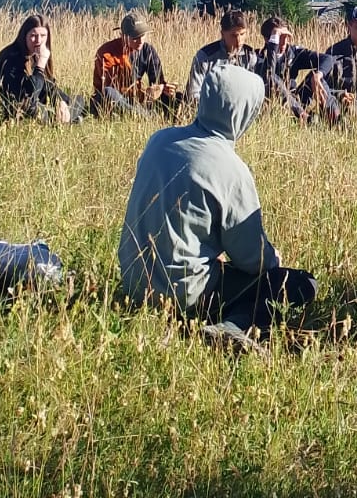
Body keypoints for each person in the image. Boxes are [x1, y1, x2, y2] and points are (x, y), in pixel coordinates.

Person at [119, 63, 317, 350]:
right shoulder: (230, 169)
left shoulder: (159, 140)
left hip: (133, 284)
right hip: (184, 293)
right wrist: (273, 259)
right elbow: (253, 260)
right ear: (243, 111)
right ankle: (232, 327)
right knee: (298, 284)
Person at [0, 14, 86, 122]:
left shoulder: (34, 55)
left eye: (43, 35)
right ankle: (64, 119)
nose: (38, 40)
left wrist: (61, 101)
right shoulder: (12, 57)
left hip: (30, 106)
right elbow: (27, 97)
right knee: (35, 109)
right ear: (24, 36)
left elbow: (49, 87)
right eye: (33, 35)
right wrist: (40, 67)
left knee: (78, 101)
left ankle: (64, 116)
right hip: (11, 108)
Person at [93, 12, 178, 114]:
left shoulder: (147, 50)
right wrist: (145, 95)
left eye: (143, 35)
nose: (140, 41)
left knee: (179, 96)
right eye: (135, 38)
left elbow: (158, 81)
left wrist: (165, 89)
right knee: (109, 92)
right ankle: (145, 115)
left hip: (138, 100)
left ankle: (169, 114)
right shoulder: (107, 53)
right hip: (112, 101)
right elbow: (113, 86)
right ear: (122, 36)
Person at [257, 15, 335, 122]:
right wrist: (273, 46)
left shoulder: (293, 53)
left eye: (286, 37)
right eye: (279, 37)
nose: (284, 42)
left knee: (316, 76)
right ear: (268, 39)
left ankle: (333, 118)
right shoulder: (259, 57)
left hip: (296, 99)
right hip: (274, 105)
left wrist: (317, 76)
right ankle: (305, 117)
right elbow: (269, 74)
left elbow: (328, 59)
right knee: (273, 78)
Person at [186, 8, 260, 104]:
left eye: (242, 34)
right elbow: (193, 94)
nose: (239, 41)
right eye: (234, 35)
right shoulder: (205, 57)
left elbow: (255, 92)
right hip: (210, 108)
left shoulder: (250, 56)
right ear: (223, 34)